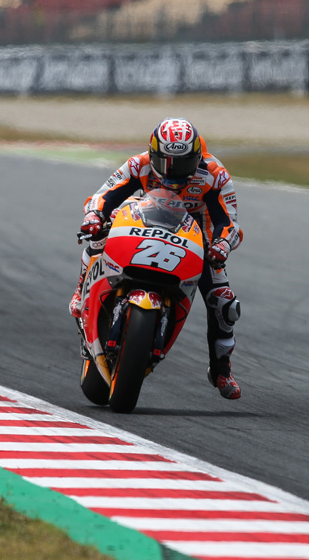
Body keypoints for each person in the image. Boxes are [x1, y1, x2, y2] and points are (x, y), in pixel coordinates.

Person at [69, 118, 243, 400]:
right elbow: (104, 195)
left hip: (197, 238)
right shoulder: (138, 164)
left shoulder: (215, 176)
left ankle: (221, 369)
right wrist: (94, 215)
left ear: (197, 157)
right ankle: (81, 291)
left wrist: (222, 244)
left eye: (183, 164)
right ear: (153, 155)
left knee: (224, 303)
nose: (173, 172)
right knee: (99, 232)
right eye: (165, 163)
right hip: (145, 220)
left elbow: (229, 222)